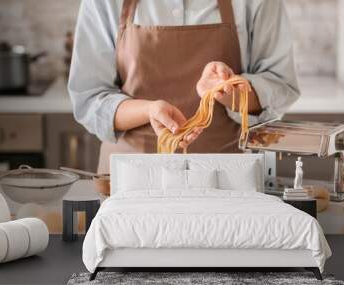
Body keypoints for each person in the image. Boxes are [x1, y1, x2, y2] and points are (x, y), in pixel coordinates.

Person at [68, 0, 300, 173]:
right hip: (131, 179)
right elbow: (89, 97)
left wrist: (228, 90)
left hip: (229, 179)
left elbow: (280, 82)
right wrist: (148, 111)